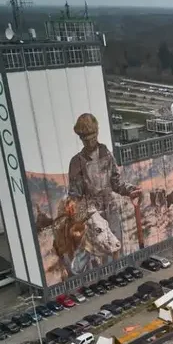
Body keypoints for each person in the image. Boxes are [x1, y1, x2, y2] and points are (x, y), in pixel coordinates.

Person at [65, 113, 141, 274]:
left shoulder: (106, 155)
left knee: (115, 244)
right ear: (81, 138)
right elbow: (75, 195)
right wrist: (77, 211)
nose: (90, 141)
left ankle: (118, 276)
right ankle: (78, 273)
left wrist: (130, 190)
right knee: (89, 249)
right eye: (86, 139)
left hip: (110, 207)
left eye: (92, 137)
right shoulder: (76, 162)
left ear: (97, 133)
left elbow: (116, 183)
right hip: (92, 211)